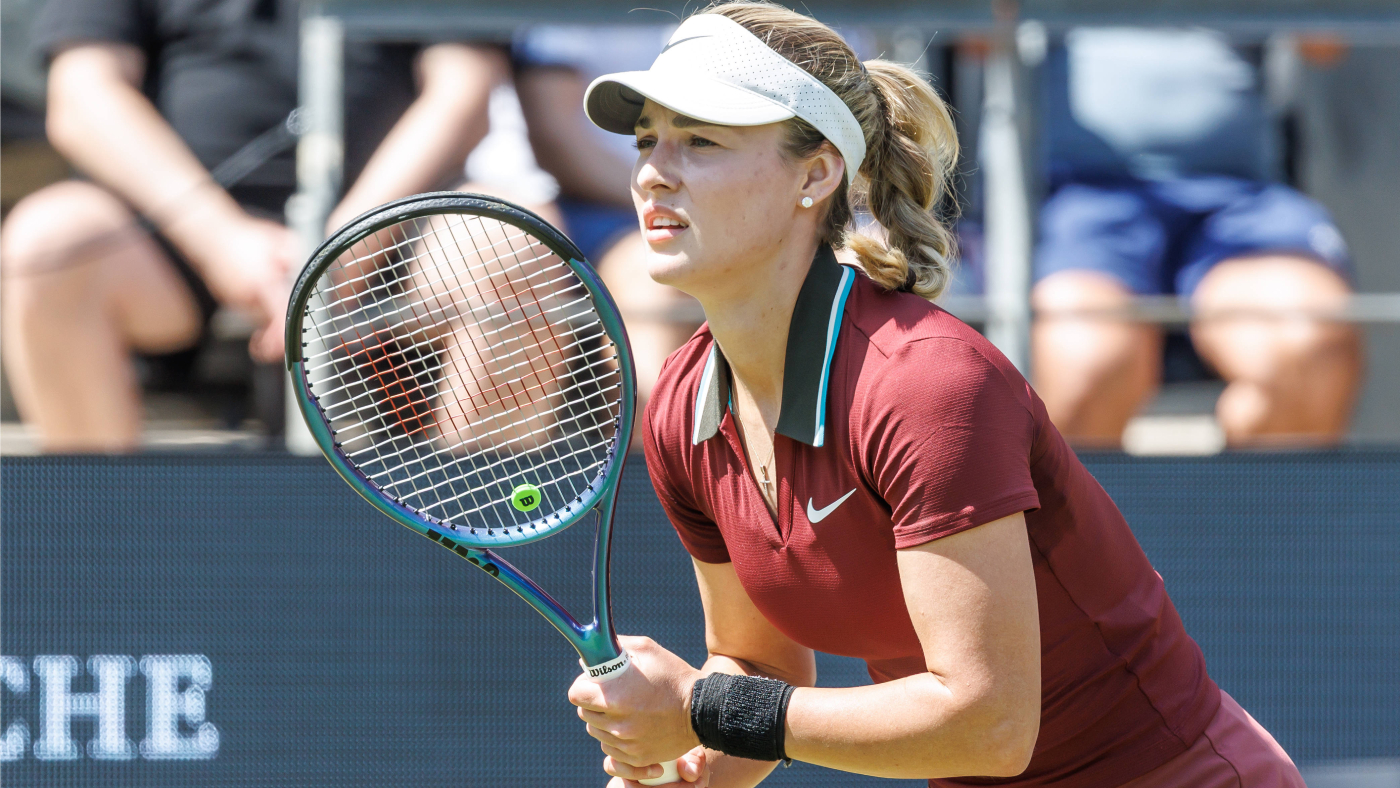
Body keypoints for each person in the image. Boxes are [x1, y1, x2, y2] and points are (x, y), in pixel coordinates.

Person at [563, 4, 1306, 788]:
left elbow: (989, 725)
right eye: (645, 140)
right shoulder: (681, 405)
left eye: (701, 140)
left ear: (816, 175)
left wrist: (702, 708)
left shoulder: (926, 383)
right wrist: (688, 771)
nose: (652, 172)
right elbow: (758, 667)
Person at [1, 0, 504, 451]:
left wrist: (341, 252)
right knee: (50, 244)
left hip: (392, 230)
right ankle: (98, 519)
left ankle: (462, 523)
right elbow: (83, 96)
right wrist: (222, 240)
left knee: (508, 247)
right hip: (177, 227)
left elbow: (464, 90)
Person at [1031, 28, 1362, 448]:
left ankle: (1240, 495)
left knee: (1311, 353)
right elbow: (977, 36)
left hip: (1240, 200)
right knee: (1084, 370)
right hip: (1080, 198)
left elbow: (1327, 39)